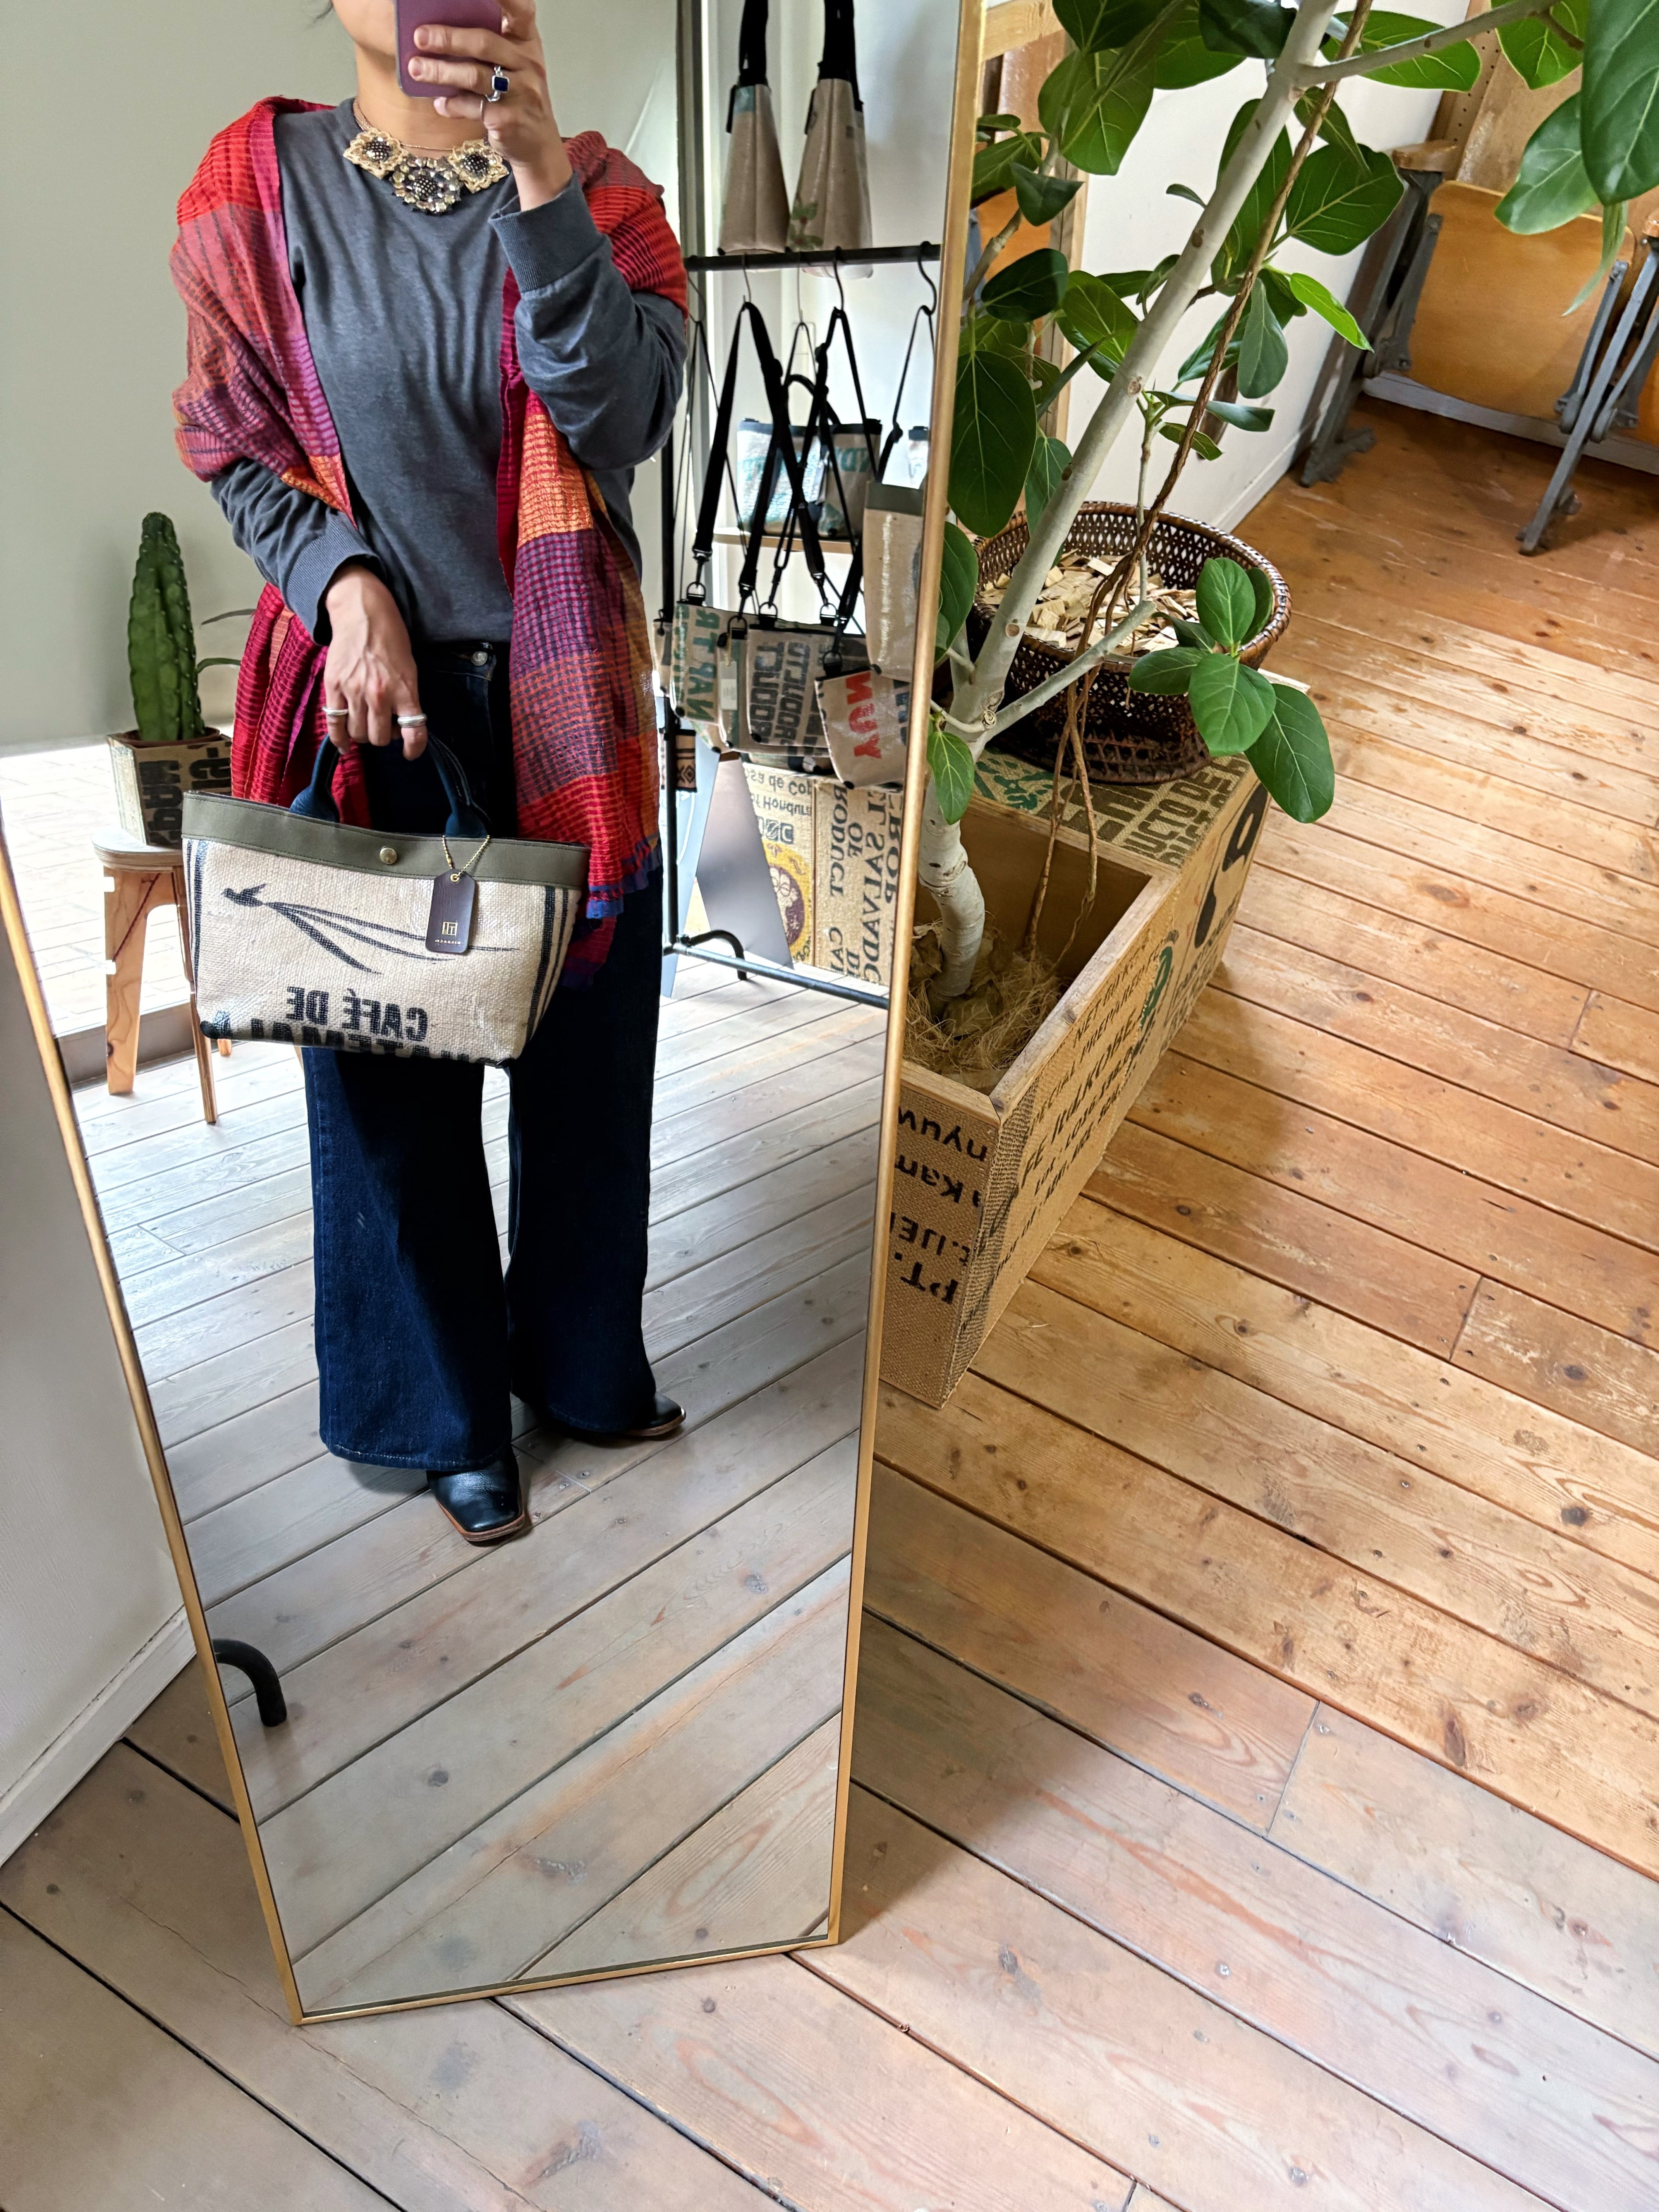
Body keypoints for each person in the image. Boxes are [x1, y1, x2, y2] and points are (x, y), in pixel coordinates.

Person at [170, 1, 688, 1543]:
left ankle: (580, 1367)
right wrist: (345, 586)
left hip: (567, 705)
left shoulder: (608, 197)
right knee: (390, 1081)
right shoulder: (254, 189)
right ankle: (444, 1413)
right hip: (369, 712)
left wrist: (538, 183)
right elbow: (229, 443)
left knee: (588, 1060)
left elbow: (622, 417)